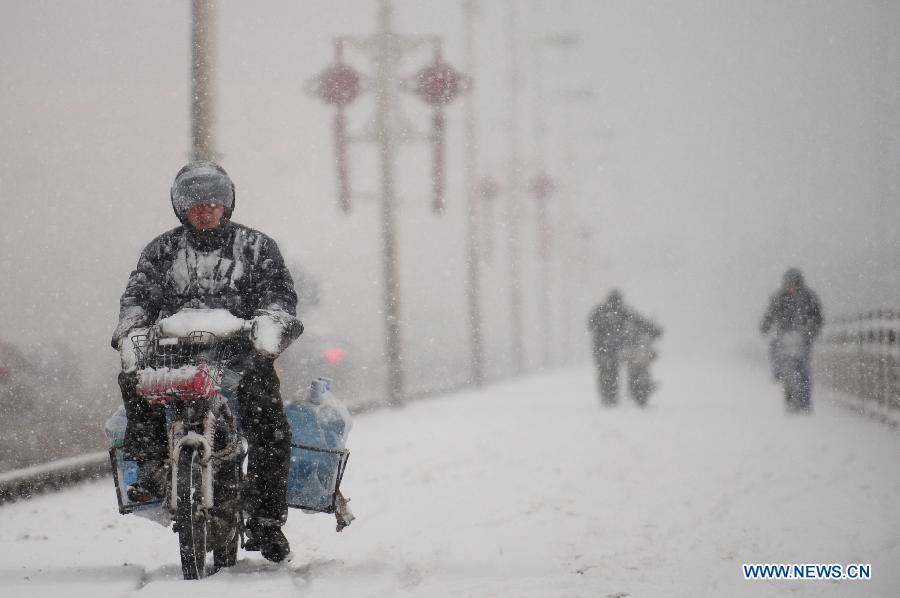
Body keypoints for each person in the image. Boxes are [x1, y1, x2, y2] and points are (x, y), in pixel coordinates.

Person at [111, 161, 302, 562]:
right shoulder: (161, 251)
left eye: (213, 202)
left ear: (227, 204)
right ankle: (150, 467)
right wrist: (132, 331)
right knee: (133, 381)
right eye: (195, 203)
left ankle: (267, 521)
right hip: (173, 358)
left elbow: (279, 295)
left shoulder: (256, 247)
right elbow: (136, 299)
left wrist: (270, 326)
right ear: (180, 208)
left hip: (241, 358)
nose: (205, 210)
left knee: (270, 428)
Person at [760, 267, 823, 412]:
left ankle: (804, 402)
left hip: (803, 338)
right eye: (789, 284)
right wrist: (765, 326)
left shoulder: (809, 297)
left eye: (794, 284)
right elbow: (769, 314)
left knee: (804, 368)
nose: (791, 287)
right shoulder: (779, 297)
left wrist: (810, 331)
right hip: (784, 336)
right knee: (781, 359)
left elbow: (817, 317)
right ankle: (780, 379)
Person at [587, 290, 663, 405]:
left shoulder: (604, 311)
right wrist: (652, 329)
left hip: (607, 350)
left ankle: (610, 398)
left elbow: (591, 324)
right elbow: (640, 321)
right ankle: (611, 397)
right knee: (609, 373)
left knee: (608, 374)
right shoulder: (621, 311)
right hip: (609, 349)